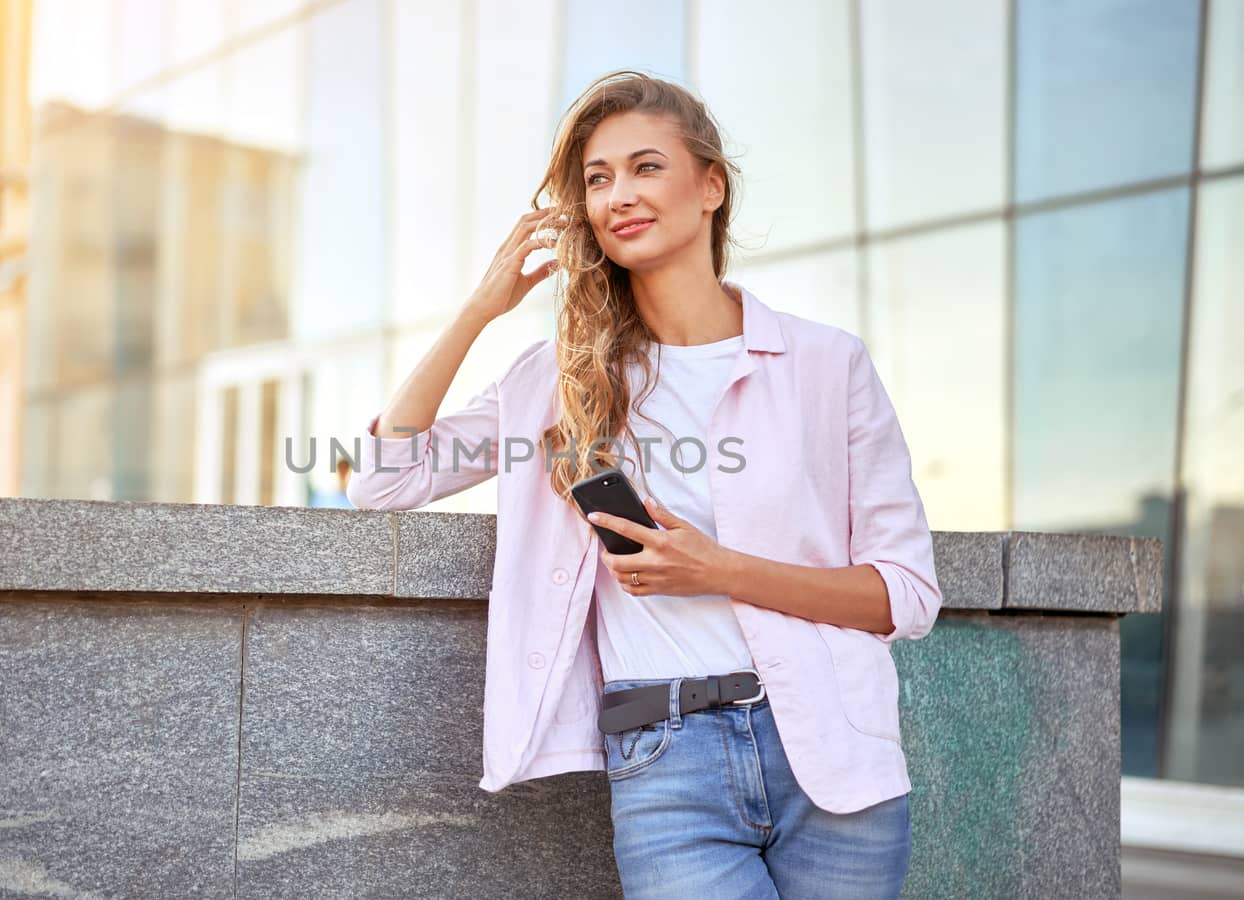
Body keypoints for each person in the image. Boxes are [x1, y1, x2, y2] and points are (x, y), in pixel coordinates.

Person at [346, 69, 941, 899]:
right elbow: (385, 480)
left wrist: (718, 570)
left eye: (645, 167)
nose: (618, 193)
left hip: (836, 755)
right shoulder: (563, 381)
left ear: (711, 185)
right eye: (598, 178)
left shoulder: (825, 364)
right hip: (664, 758)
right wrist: (481, 308)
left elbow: (905, 594)